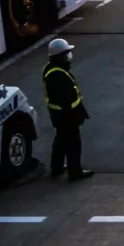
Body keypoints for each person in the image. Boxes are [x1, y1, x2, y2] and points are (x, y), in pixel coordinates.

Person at [42, 38, 92, 181]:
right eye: (66, 55)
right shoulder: (57, 75)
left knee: (60, 140)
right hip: (66, 115)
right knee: (73, 144)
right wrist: (74, 115)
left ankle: (56, 168)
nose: (69, 58)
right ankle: (75, 172)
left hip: (58, 115)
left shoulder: (50, 68)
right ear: (60, 57)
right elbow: (65, 99)